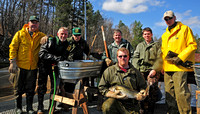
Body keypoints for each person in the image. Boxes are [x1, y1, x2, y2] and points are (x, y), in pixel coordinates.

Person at [161, 10, 197, 114]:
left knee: (182, 94)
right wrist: (163, 66)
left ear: (175, 17)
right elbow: (163, 52)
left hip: (180, 68)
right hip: (167, 69)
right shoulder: (164, 35)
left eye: (170, 18)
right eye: (166, 19)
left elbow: (192, 45)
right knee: (169, 95)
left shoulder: (185, 29)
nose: (168, 20)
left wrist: (180, 58)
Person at [8, 15, 46, 114]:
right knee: (18, 88)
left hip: (33, 67)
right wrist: (12, 62)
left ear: (38, 24)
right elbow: (13, 47)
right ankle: (18, 108)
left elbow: (51, 39)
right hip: (19, 66)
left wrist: (47, 38)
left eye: (36, 22)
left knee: (31, 89)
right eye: (32, 22)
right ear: (28, 23)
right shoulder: (20, 34)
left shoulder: (40, 35)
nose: (34, 24)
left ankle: (29, 108)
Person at [98, 47, 147, 114]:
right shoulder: (109, 71)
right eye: (120, 56)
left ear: (128, 57)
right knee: (107, 106)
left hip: (132, 104)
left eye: (125, 56)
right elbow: (102, 88)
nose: (122, 58)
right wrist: (113, 95)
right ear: (117, 57)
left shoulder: (136, 72)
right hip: (116, 103)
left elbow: (143, 86)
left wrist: (142, 93)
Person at [37, 27, 69, 113]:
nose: (63, 35)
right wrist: (55, 58)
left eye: (65, 34)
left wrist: (62, 59)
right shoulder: (50, 40)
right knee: (41, 86)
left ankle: (52, 107)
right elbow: (41, 53)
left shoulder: (67, 44)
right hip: (44, 65)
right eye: (62, 34)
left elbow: (65, 55)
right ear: (58, 34)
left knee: (55, 87)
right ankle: (40, 107)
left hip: (55, 67)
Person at [132, 27, 162, 114]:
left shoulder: (156, 45)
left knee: (152, 87)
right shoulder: (140, 46)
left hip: (152, 70)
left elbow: (160, 59)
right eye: (145, 34)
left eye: (148, 34)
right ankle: (141, 108)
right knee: (140, 87)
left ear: (151, 35)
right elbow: (135, 58)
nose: (147, 36)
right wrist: (136, 69)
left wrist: (155, 69)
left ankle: (150, 109)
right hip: (141, 69)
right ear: (143, 35)